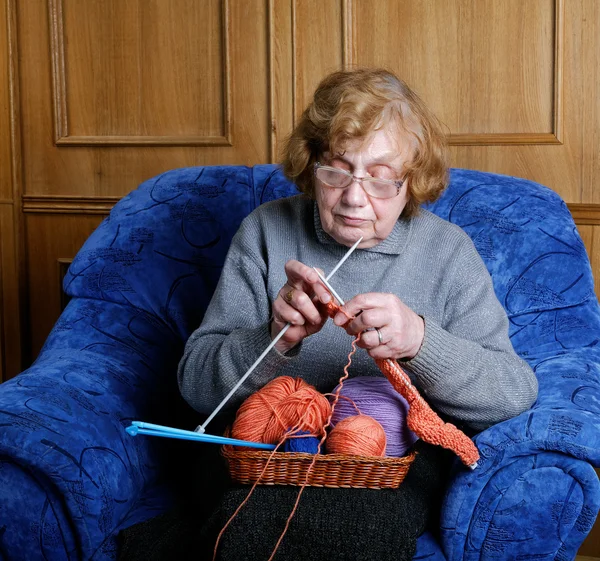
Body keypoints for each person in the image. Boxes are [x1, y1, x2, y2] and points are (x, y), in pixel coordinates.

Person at [169, 67, 539, 561]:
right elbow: (195, 388)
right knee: (244, 522)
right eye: (337, 170)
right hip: (269, 458)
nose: (353, 197)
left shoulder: (448, 252)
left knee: (360, 527)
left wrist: (421, 344)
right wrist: (273, 338)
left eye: (382, 179)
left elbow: (512, 393)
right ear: (311, 165)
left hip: (386, 467)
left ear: (413, 182)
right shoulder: (264, 232)